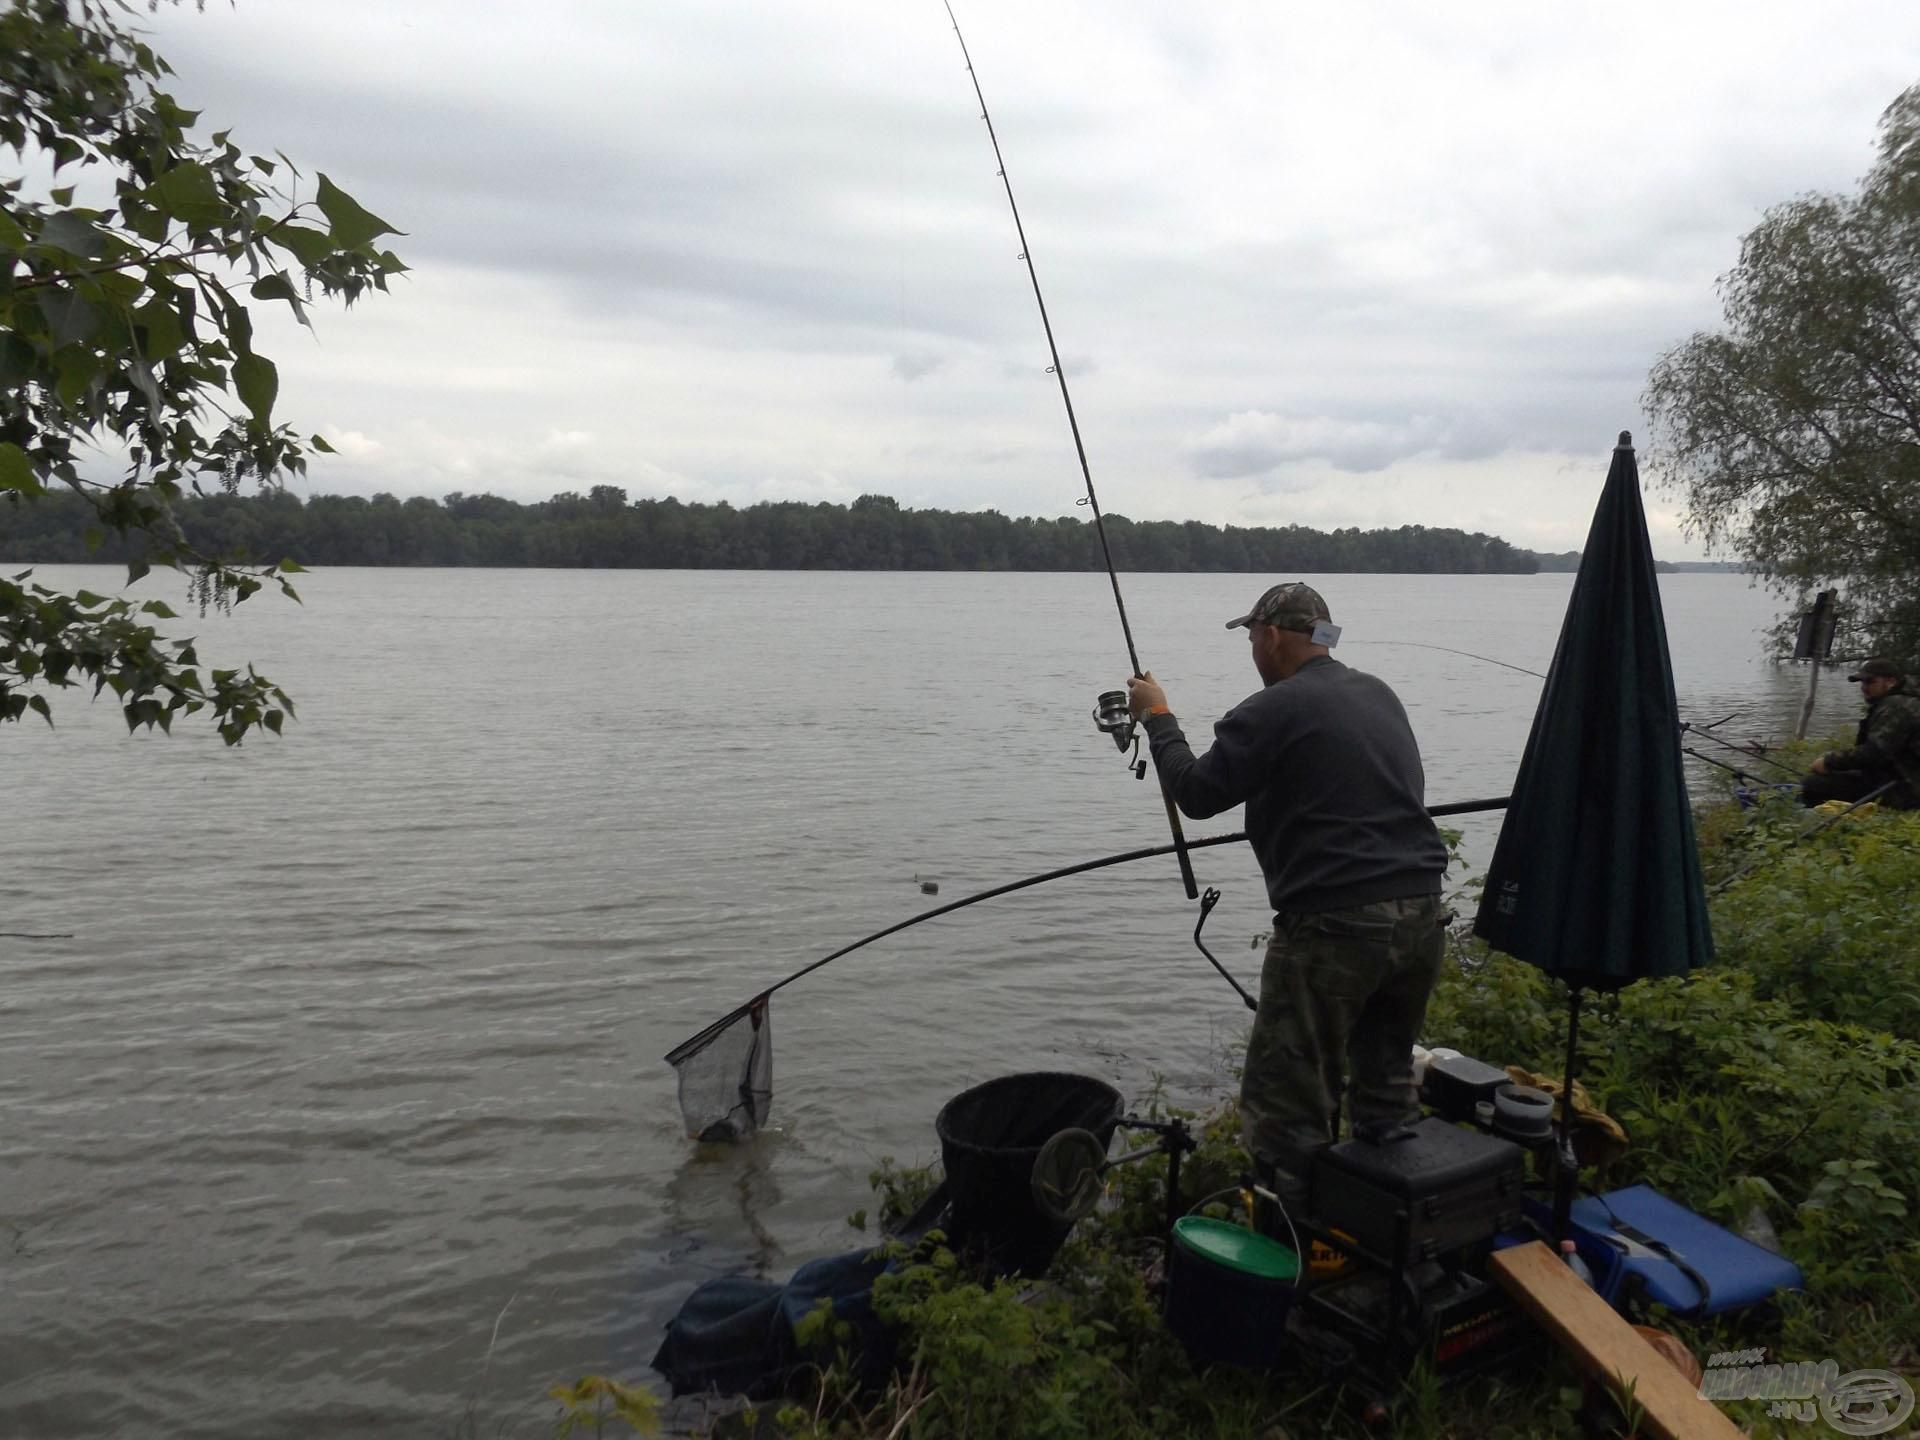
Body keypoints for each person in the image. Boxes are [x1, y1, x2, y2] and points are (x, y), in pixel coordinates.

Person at [1125, 582, 1448, 1210]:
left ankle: (1289, 1255)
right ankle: (1387, 1232)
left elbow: (1196, 794)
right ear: (1323, 635)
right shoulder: (1379, 694)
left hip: (1334, 928)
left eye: (1251, 635)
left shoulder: (1273, 708)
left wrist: (1158, 716)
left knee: (1287, 1108)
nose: (1252, 647)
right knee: (1384, 1089)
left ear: (1271, 635)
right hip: (1421, 914)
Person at [1801, 658, 1920, 810]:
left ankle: (1825, 822)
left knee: (1812, 785)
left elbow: (1874, 753)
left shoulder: (1896, 706)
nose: (1864, 687)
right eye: (1862, 683)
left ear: (1890, 681)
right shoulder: (1907, 700)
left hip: (1907, 789)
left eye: (1870, 682)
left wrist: (1828, 762)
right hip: (1901, 776)